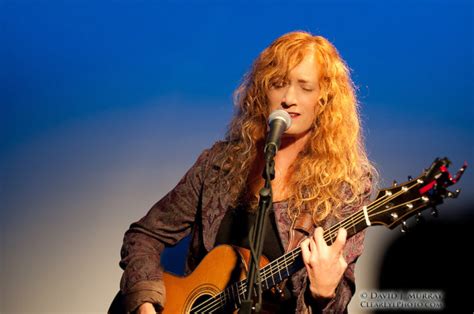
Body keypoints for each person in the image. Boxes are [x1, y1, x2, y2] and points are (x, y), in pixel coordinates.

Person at [114, 31, 377, 313]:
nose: (289, 98)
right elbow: (143, 235)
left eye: (305, 87)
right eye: (278, 84)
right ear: (263, 91)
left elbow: (337, 299)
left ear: (325, 99)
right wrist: (144, 301)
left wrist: (323, 293)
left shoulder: (345, 187)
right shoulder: (218, 165)